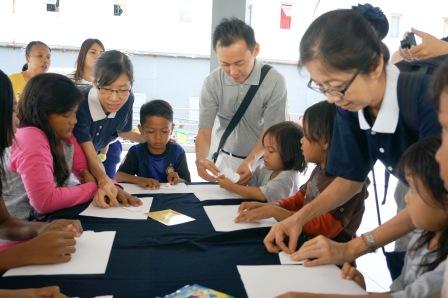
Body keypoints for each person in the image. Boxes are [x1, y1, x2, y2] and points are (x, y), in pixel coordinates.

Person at [263, 9, 440, 262]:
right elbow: (349, 179)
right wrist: (297, 219)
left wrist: (352, 248)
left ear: (376, 65)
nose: (333, 98)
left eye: (338, 86)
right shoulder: (350, 105)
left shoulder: (426, 100)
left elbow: (433, 198)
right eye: (322, 87)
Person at [278, 136, 448, 298]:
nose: (405, 198)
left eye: (414, 189)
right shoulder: (421, 237)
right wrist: (360, 291)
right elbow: (401, 291)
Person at [9, 73, 141, 215]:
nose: (74, 121)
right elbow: (45, 201)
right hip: (21, 227)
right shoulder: (30, 138)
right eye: (66, 115)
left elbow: (86, 171)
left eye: (75, 113)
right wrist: (92, 188)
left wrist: (113, 188)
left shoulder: (65, 137)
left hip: (46, 221)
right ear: (42, 113)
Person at [236, 101, 368, 242]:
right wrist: (270, 206)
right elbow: (299, 199)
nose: (300, 141)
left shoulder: (347, 184)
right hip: (302, 237)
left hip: (330, 257)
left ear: (324, 141)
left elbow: (324, 229)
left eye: (305, 134)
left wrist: (275, 212)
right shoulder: (320, 169)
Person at [0, 69, 78, 297]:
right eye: (11, 110)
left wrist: (42, 229)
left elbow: (3, 222)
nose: (17, 120)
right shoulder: (30, 136)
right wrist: (25, 253)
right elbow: (45, 201)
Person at [195, 17, 288, 184]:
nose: (233, 72)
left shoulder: (274, 81)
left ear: (255, 50)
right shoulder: (212, 82)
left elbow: (271, 131)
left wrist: (251, 160)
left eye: (239, 63)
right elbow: (204, 130)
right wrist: (200, 159)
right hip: (225, 160)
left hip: (262, 161)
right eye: (224, 64)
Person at [72, 50, 144, 207]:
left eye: (123, 89)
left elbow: (120, 130)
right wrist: (105, 181)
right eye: (106, 88)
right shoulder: (80, 103)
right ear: (94, 82)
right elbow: (88, 156)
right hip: (73, 168)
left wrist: (149, 139)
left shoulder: (129, 99)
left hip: (97, 161)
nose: (114, 98)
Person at [217, 121, 304, 202]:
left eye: (271, 151)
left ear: (289, 154)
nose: (265, 154)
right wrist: (236, 178)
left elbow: (261, 194)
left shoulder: (288, 177)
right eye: (265, 149)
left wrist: (232, 187)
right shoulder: (266, 168)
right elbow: (250, 184)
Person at [116, 100, 191, 187]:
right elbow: (118, 176)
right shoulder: (136, 152)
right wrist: (139, 180)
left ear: (172, 129)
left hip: (171, 198)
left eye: (164, 131)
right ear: (141, 130)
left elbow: (187, 183)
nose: (158, 137)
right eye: (151, 131)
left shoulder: (177, 152)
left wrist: (178, 180)